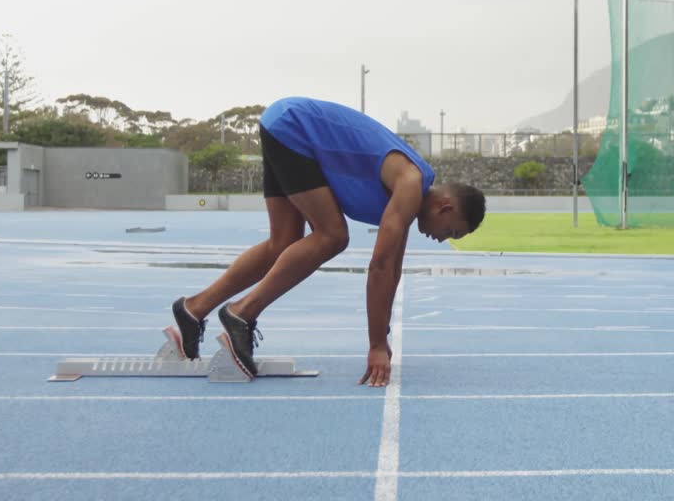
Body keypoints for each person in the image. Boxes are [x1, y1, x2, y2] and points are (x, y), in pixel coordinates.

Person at [172, 97, 485, 386]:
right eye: (452, 232)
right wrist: (376, 345)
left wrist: (381, 334)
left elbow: (391, 272)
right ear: (445, 207)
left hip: (284, 125)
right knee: (332, 236)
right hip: (294, 128)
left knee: (283, 243)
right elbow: (380, 266)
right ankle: (242, 312)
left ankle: (193, 309)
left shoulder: (409, 196)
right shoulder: (410, 183)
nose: (443, 239)